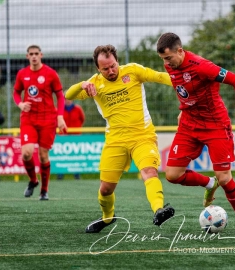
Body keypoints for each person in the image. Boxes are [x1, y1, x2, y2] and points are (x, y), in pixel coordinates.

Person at [65, 44, 175, 233]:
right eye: (105, 69)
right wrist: (82, 84)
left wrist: (182, 82)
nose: (111, 71)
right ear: (98, 69)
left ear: (117, 61)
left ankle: (159, 210)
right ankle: (108, 218)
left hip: (142, 136)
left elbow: (158, 76)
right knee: (105, 190)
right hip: (115, 141)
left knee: (149, 171)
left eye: (113, 65)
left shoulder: (133, 71)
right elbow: (68, 94)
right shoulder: (94, 84)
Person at [156, 32, 235, 235]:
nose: (167, 63)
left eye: (168, 58)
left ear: (180, 51)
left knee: (226, 178)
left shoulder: (202, 66)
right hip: (189, 124)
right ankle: (210, 183)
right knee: (172, 174)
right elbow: (184, 89)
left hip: (215, 125)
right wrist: (182, 109)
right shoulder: (171, 65)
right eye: (163, 60)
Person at [13, 45, 67, 200]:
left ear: (41, 55)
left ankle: (44, 190)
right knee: (26, 153)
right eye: (31, 54)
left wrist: (60, 116)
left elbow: (60, 96)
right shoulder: (22, 74)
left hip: (47, 119)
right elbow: (16, 92)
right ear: (27, 56)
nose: (34, 56)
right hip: (28, 118)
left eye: (36, 54)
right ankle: (33, 180)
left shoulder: (50, 74)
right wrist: (20, 104)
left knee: (43, 156)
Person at [57, 99, 85, 180]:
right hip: (63, 136)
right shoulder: (60, 110)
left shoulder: (78, 109)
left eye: (69, 99)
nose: (68, 101)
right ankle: (60, 174)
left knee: (76, 156)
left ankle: (77, 174)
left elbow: (82, 119)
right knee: (62, 156)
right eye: (66, 99)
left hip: (75, 136)